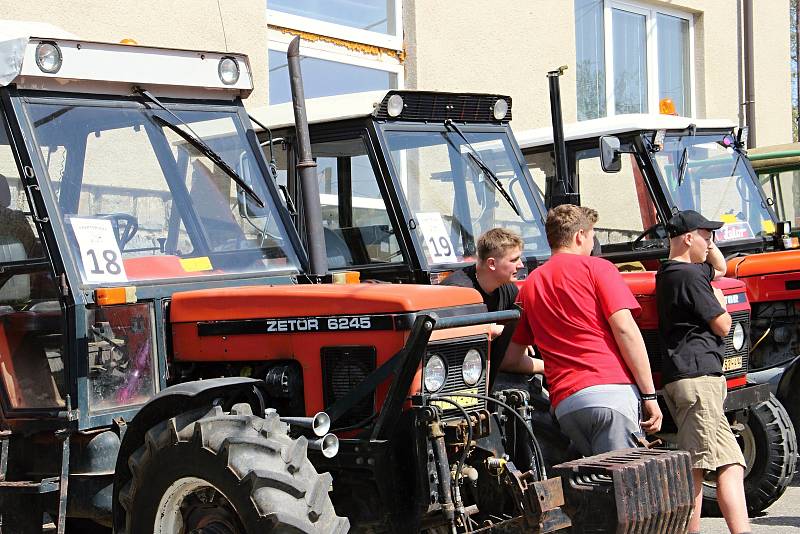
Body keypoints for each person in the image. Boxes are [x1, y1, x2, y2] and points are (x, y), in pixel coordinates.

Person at [505, 204, 662, 456]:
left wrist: (551, 366)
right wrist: (650, 395)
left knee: (593, 485)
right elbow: (626, 331)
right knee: (624, 485)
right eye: (592, 235)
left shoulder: (531, 284)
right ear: (580, 235)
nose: (592, 242)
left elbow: (511, 359)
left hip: (567, 405)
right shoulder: (599, 269)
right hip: (611, 394)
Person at [656, 210, 750, 534]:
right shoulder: (689, 277)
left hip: (695, 378)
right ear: (687, 238)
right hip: (697, 379)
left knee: (732, 463)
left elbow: (721, 268)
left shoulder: (672, 272)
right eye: (706, 236)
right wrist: (720, 301)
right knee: (697, 466)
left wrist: (708, 247)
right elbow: (724, 326)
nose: (711, 242)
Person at [441, 228, 543, 386]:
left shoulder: (508, 288)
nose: (521, 265)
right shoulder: (457, 292)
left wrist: (519, 336)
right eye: (514, 260)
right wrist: (490, 330)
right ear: (492, 264)